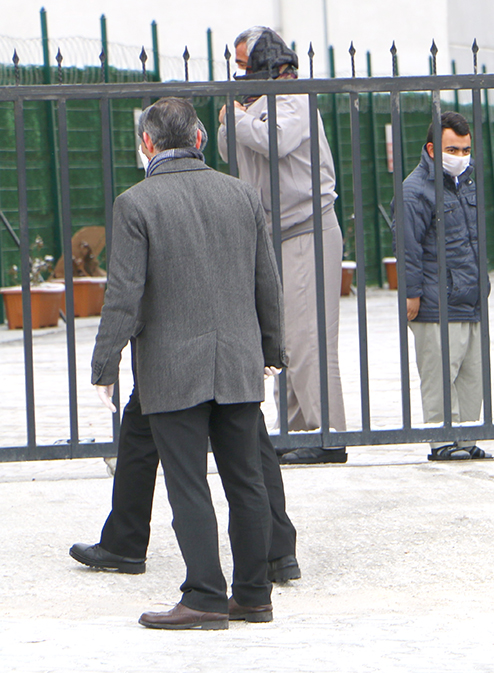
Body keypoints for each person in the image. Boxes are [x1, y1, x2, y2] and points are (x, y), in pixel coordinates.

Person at [90, 97, 284, 629]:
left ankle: (203, 594)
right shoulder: (241, 194)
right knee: (246, 481)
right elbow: (266, 281)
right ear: (199, 140)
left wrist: (105, 364)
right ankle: (253, 594)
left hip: (173, 367)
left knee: (188, 482)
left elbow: (124, 294)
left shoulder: (136, 203)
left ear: (147, 144)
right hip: (240, 362)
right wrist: (272, 349)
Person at [218, 26, 347, 465]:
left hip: (309, 229)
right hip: (272, 236)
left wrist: (236, 117)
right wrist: (235, 119)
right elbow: (228, 151)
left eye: (242, 64)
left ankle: (328, 434)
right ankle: (295, 431)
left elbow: (272, 142)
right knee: (282, 340)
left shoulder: (295, 99)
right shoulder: (253, 106)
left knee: (310, 338)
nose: (238, 73)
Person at [69, 385, 301, 584]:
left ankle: (126, 541)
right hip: (233, 343)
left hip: (171, 346)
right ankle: (277, 549)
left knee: (144, 411)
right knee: (245, 424)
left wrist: (105, 361)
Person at [396, 111, 492, 461]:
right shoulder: (413, 190)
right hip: (436, 300)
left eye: (466, 150)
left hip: (470, 297)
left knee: (471, 374)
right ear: (433, 149)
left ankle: (466, 436)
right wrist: (412, 293)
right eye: (454, 149)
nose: (461, 157)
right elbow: (407, 247)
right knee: (439, 373)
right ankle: (442, 439)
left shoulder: (468, 182)